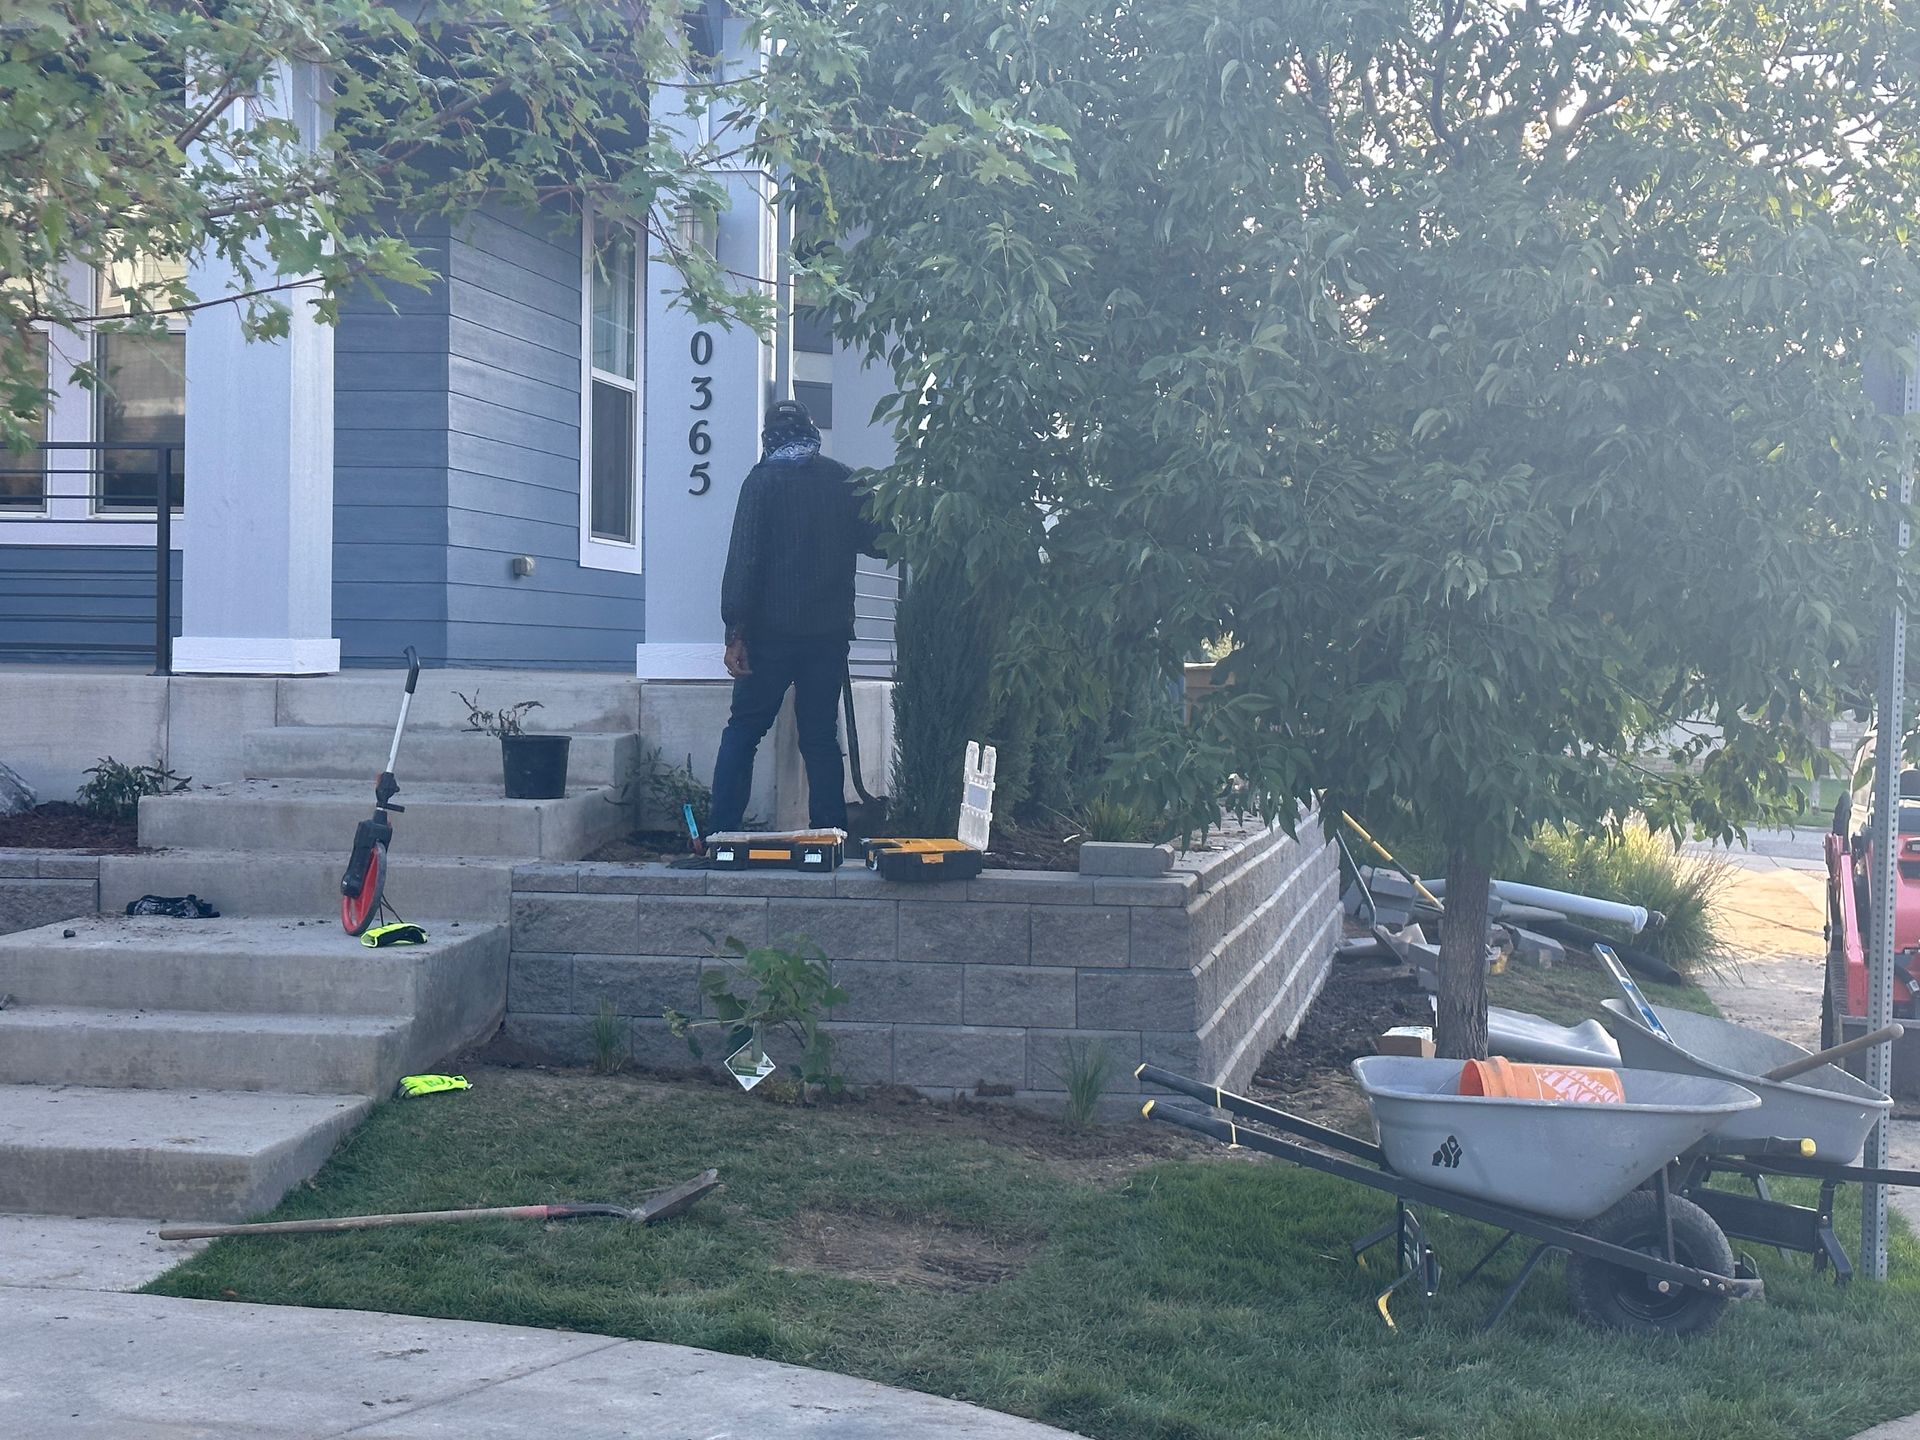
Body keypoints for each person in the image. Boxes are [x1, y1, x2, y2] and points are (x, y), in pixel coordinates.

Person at [708, 399, 884, 834]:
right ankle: (830, 832)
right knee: (821, 737)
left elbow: (744, 561)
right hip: (828, 633)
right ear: (812, 434)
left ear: (768, 439)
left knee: (744, 731)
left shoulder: (762, 482)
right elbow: (881, 540)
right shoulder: (842, 479)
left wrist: (735, 631)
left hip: (770, 634)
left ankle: (722, 830)